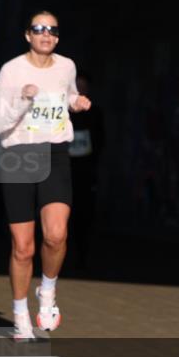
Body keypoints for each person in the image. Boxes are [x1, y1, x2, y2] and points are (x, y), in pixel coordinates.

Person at [0, 11, 92, 341]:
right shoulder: (12, 70)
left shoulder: (67, 66)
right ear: (27, 35)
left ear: (57, 37)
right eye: (39, 29)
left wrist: (76, 102)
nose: (46, 34)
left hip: (54, 154)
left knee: (56, 235)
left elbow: (67, 93)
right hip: (19, 155)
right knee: (23, 248)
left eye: (52, 30)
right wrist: (22, 100)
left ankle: (46, 293)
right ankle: (20, 317)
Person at [68, 72, 104, 270]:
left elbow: (100, 141)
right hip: (64, 172)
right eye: (77, 86)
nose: (80, 90)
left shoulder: (95, 113)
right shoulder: (61, 111)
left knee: (84, 214)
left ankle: (82, 253)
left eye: (84, 86)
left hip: (85, 173)